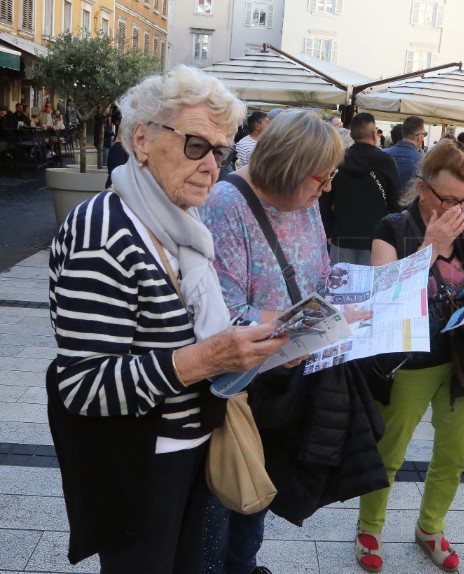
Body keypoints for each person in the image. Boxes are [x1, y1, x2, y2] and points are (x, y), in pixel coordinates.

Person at [47, 65, 289, 574]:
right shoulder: (102, 230)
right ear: (143, 138)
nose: (211, 167)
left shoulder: (182, 221)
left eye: (220, 151)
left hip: (197, 447)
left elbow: (191, 324)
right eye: (197, 145)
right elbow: (83, 385)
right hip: (139, 467)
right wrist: (204, 359)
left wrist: (264, 340)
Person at [201, 108, 384, 574]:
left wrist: (354, 295)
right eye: (321, 180)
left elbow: (319, 273)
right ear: (287, 169)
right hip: (245, 379)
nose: (326, 191)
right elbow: (222, 313)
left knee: (264, 482)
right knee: (231, 487)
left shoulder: (304, 201)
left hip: (292, 369)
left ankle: (245, 564)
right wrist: (306, 323)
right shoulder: (227, 204)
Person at [356, 144, 464, 573]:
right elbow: (386, 300)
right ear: (422, 189)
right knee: (390, 452)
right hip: (409, 361)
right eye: (447, 199)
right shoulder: (391, 229)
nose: (457, 208)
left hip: (462, 360)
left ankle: (430, 527)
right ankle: (370, 526)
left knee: (453, 454)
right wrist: (431, 248)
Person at [320, 112, 402, 264]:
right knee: (371, 285)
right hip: (376, 236)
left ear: (351, 134)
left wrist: (329, 230)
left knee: (341, 283)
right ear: (373, 133)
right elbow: (395, 199)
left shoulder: (338, 158)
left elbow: (325, 197)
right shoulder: (385, 160)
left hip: (342, 233)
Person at [384, 115, 426, 189]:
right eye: (424, 134)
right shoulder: (423, 161)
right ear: (419, 137)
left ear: (403, 133)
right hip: (409, 200)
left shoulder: (382, 154)